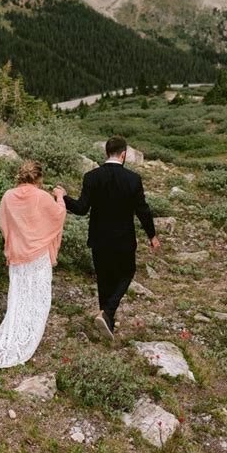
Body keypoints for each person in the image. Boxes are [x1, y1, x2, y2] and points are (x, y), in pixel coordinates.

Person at [63, 135, 160, 341]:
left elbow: (80, 209)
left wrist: (63, 197)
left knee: (104, 279)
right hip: (124, 239)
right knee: (127, 272)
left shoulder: (92, 177)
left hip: (99, 239)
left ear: (106, 152)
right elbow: (143, 210)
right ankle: (107, 313)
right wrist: (152, 235)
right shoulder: (133, 179)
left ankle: (106, 319)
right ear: (123, 154)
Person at [0, 161, 66, 369]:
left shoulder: (8, 196)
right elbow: (58, 216)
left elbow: (4, 224)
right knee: (38, 297)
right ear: (38, 178)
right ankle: (28, 335)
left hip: (18, 253)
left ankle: (18, 330)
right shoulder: (42, 196)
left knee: (19, 297)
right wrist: (60, 196)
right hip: (38, 254)